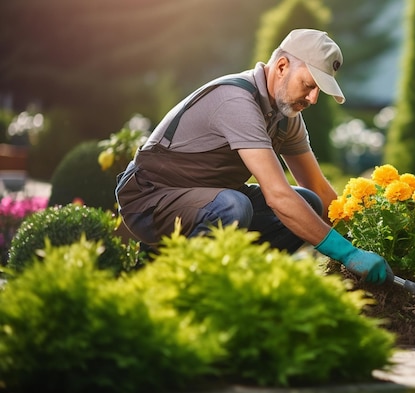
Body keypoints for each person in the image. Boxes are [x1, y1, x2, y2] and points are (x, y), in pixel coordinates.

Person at [115, 28, 389, 284]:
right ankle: (176, 283)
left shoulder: (285, 115)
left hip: (206, 200)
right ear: (282, 67)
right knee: (233, 207)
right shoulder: (236, 101)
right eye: (309, 85)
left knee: (309, 202)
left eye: (319, 90)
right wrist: (347, 254)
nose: (313, 99)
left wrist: (364, 244)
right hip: (150, 200)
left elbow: (316, 186)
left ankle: (243, 283)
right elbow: (277, 195)